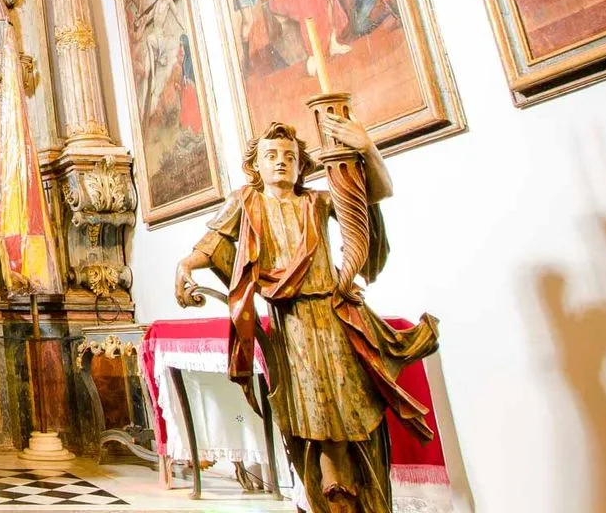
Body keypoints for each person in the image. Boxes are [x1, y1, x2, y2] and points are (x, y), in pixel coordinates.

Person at [175, 118, 438, 513]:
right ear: (256, 166)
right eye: (271, 156)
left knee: (351, 408)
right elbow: (212, 244)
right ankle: (328, 487)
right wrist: (185, 265)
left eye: (289, 157)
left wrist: (367, 149)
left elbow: (373, 198)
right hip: (292, 325)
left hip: (335, 317)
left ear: (301, 166)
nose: (280, 162)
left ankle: (358, 489)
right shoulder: (245, 202)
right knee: (310, 412)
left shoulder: (317, 201)